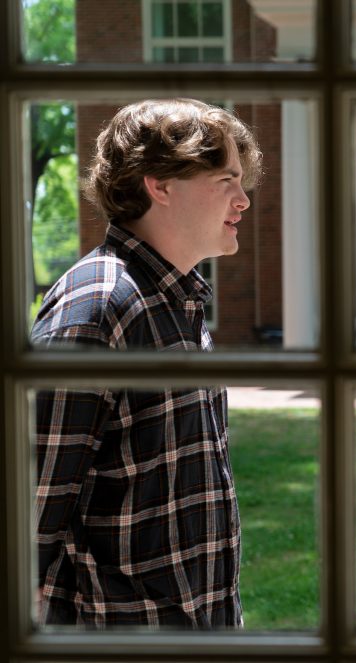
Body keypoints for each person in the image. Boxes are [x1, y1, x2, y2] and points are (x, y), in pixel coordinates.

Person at [32, 99, 263, 627]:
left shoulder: (178, 300)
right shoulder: (98, 306)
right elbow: (32, 500)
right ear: (160, 184)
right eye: (225, 180)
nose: (244, 199)